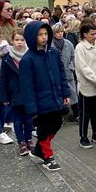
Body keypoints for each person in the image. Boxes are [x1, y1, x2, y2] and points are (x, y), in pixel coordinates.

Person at [21, 21, 71, 171]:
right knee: (44, 129)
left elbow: (62, 74)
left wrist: (66, 93)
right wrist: (31, 108)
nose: (44, 37)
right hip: (40, 101)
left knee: (56, 124)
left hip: (56, 97)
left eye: (45, 34)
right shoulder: (27, 59)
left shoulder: (53, 53)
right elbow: (26, 86)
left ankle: (38, 150)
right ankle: (48, 157)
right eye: (40, 35)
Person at [75, 22, 96, 149]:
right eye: (92, 34)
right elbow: (83, 68)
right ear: (85, 34)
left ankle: (95, 133)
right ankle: (83, 137)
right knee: (85, 113)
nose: (95, 36)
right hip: (87, 86)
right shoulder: (80, 48)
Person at [0, 27, 34, 156]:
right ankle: (21, 142)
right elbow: (4, 79)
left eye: (22, 40)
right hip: (14, 93)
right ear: (12, 41)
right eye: (16, 40)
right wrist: (4, 97)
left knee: (29, 119)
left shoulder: (30, 55)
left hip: (28, 93)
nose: (19, 42)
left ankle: (29, 139)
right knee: (18, 120)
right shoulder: (7, 58)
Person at [52, 24, 79, 122]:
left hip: (68, 72)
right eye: (57, 32)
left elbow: (73, 56)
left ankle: (77, 114)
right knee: (58, 96)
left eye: (61, 32)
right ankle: (60, 117)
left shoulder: (68, 43)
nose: (60, 34)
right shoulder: (50, 45)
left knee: (72, 94)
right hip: (56, 74)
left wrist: (71, 67)